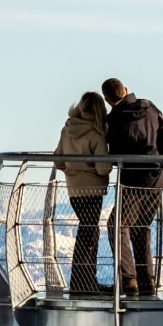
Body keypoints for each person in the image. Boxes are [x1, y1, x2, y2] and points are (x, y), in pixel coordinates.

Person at [102, 77, 163, 297]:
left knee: (117, 225)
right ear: (126, 90)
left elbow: (112, 154)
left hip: (132, 180)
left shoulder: (115, 120)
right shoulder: (150, 107)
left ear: (107, 100)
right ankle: (146, 278)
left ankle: (129, 278)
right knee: (141, 227)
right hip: (157, 176)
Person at [52, 91, 113, 296]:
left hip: (73, 188)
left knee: (87, 232)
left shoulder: (67, 128)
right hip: (93, 189)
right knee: (89, 233)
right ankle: (82, 282)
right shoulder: (96, 133)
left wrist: (73, 169)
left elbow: (58, 160)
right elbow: (103, 168)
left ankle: (85, 281)